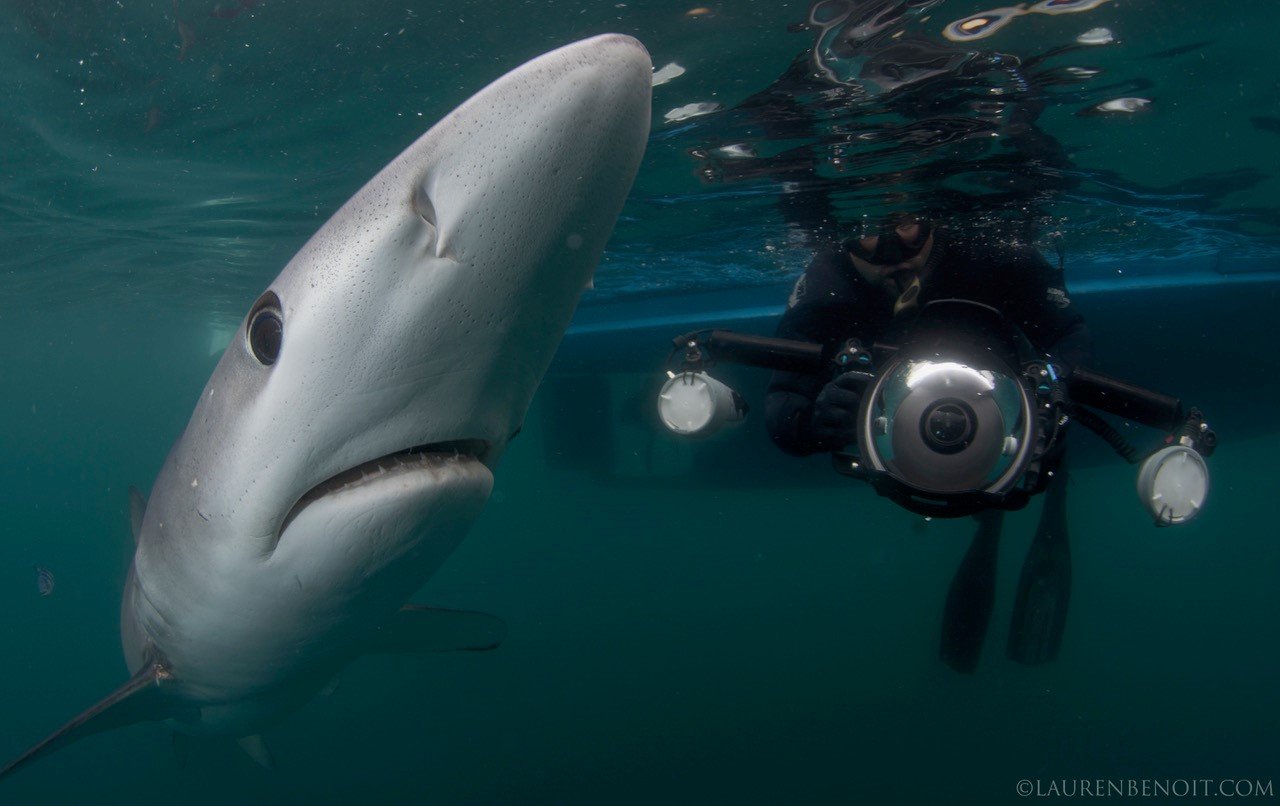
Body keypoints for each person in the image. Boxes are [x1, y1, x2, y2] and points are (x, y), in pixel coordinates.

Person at [764, 214, 1093, 672]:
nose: (890, 251)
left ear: (933, 222)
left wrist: (1051, 387)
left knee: (1040, 462)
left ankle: (1014, 488)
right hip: (909, 432)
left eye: (904, 224)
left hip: (1010, 412)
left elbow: (1068, 333)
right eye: (867, 232)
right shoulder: (828, 283)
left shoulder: (989, 248)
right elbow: (783, 401)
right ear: (842, 236)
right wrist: (816, 421)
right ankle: (996, 507)